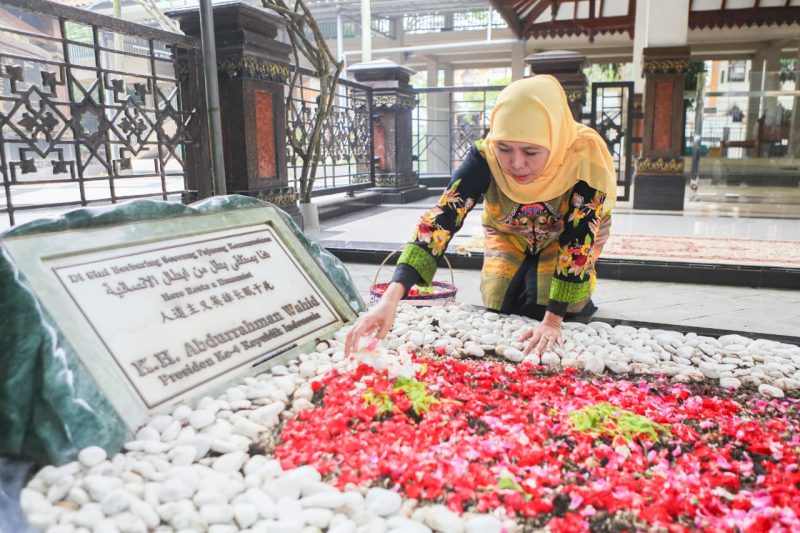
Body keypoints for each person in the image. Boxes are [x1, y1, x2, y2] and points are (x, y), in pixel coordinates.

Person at [345, 75, 617, 358]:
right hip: (509, 232)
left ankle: (572, 292)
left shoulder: (583, 157)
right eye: (504, 148)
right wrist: (390, 299)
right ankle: (531, 274)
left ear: (555, 140)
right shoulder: (484, 157)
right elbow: (441, 219)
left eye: (531, 151)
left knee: (548, 307)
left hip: (568, 237)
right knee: (501, 302)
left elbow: (577, 242)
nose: (516, 163)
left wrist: (552, 321)